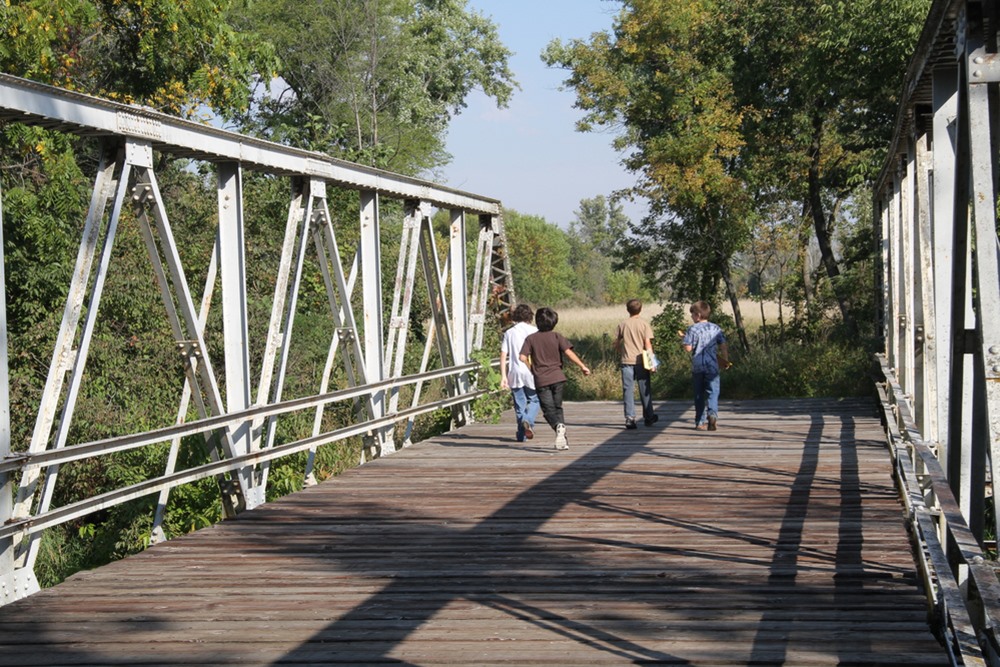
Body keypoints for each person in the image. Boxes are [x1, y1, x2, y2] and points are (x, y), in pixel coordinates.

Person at [519, 307, 591, 450]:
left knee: (548, 410)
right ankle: (562, 439)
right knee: (558, 408)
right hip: (558, 377)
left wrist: (532, 368)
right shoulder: (557, 336)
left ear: (537, 322)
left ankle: (558, 428)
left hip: (541, 379)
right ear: (554, 322)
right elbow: (569, 353)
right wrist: (582, 366)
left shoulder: (531, 339)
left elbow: (522, 357)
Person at [679, 301, 730, 431]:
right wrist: (725, 359)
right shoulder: (716, 328)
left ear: (698, 315)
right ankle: (712, 415)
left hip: (698, 366)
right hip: (712, 365)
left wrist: (684, 340)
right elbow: (723, 345)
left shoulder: (692, 329)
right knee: (713, 392)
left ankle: (700, 422)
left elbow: (688, 348)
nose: (691, 317)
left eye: (692, 314)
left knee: (698, 394)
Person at [614, 298, 657, 429]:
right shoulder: (644, 324)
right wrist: (652, 363)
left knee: (628, 389)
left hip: (626, 361)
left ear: (627, 310)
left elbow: (615, 342)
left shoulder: (623, 324)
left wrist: (621, 351)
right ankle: (649, 416)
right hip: (641, 362)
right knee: (645, 389)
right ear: (641, 309)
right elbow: (647, 344)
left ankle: (630, 418)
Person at [499, 304, 540, 442]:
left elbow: (504, 355)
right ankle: (528, 420)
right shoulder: (535, 331)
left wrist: (503, 376)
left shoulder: (509, 333)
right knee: (535, 399)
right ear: (530, 316)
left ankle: (522, 435)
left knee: (519, 404)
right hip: (530, 371)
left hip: (514, 372)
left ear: (515, 316)